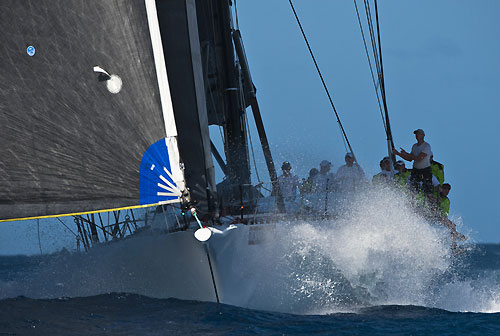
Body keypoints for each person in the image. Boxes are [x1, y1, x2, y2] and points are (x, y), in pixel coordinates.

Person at [393, 129, 433, 194]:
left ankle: (429, 200)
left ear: (423, 135)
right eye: (416, 134)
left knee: (427, 189)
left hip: (425, 170)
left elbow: (419, 158)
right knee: (413, 188)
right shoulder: (414, 146)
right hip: (416, 170)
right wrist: (398, 153)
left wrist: (406, 153)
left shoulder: (426, 146)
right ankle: (412, 201)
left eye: (418, 133)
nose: (417, 135)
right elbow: (409, 159)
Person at [430, 183, 467, 250]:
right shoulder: (435, 194)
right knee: (452, 226)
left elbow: (445, 213)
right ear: (441, 189)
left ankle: (454, 245)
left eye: (448, 189)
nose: (446, 191)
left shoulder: (447, 200)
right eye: (445, 189)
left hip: (439, 216)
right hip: (431, 214)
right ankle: (457, 235)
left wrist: (443, 218)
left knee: (453, 225)